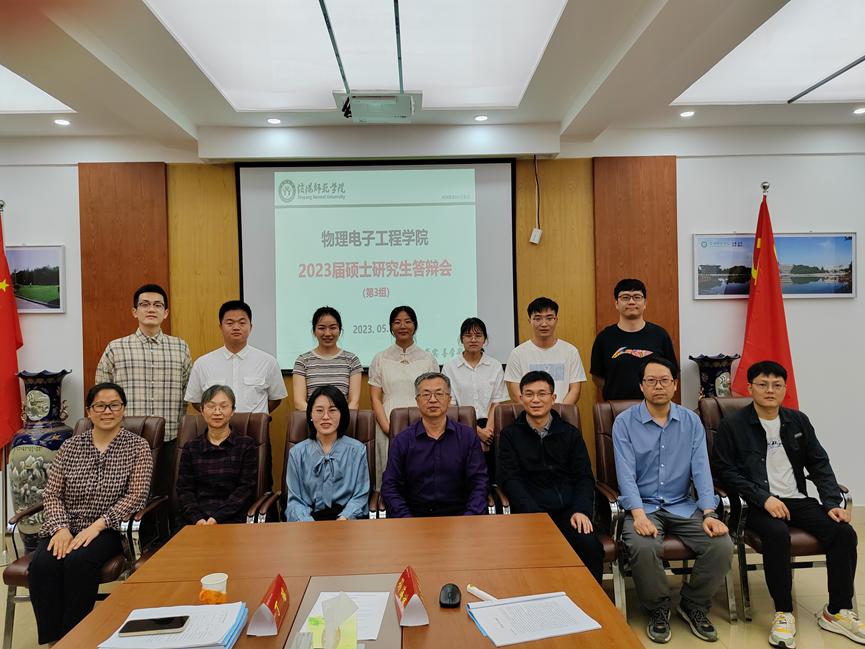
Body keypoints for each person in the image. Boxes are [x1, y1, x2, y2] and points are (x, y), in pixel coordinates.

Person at [712, 360, 862, 648]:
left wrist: (831, 501)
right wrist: (763, 497)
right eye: (763, 384)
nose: (770, 390)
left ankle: (837, 612)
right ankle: (783, 613)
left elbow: (819, 463)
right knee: (777, 534)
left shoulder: (798, 421)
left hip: (796, 499)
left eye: (777, 385)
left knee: (843, 532)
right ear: (749, 388)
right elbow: (724, 470)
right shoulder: (733, 424)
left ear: (785, 389)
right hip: (756, 504)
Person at [613, 357, 732, 644]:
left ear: (675, 384)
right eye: (651, 381)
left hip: (682, 504)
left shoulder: (691, 421)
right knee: (643, 545)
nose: (658, 386)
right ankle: (658, 608)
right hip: (643, 506)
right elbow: (625, 474)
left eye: (664, 380)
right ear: (641, 386)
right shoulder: (624, 423)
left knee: (721, 545)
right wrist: (638, 515)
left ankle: (693, 604)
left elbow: (701, 469)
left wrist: (709, 513)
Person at [28, 383, 153, 645]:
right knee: (43, 564)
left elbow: (136, 496)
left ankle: (76, 639)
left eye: (114, 405)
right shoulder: (70, 447)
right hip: (66, 525)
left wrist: (97, 526)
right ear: (89, 411)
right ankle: (54, 641)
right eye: (100, 406)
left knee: (78, 561)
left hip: (107, 528)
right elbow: (52, 494)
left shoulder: (138, 447)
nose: (107, 411)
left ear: (123, 409)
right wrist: (61, 528)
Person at [497, 370, 604, 582]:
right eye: (529, 394)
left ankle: (590, 601)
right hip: (531, 515)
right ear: (520, 398)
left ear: (553, 398)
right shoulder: (510, 435)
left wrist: (581, 510)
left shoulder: (569, 433)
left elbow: (583, 477)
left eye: (542, 394)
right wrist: (536, 516)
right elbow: (510, 480)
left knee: (589, 545)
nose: (535, 400)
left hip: (569, 512)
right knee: (532, 554)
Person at [95, 283, 190, 496]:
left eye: (157, 305)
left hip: (169, 439)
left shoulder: (180, 347)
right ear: (134, 311)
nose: (151, 309)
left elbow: (188, 391)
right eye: (145, 304)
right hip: (126, 439)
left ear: (166, 313)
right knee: (127, 496)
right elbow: (101, 394)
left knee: (166, 496)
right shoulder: (116, 347)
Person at [381, 372, 488, 517]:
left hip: (460, 517)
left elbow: (479, 482)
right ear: (417, 401)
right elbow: (390, 486)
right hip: (414, 517)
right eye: (426, 395)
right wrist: (406, 519)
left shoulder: (467, 437)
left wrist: (469, 517)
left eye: (439, 394)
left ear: (449, 399)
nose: (432, 400)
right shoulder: (402, 441)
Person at [368, 306, 439, 488]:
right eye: (397, 322)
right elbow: (375, 398)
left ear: (415, 325)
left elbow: (435, 394)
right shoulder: (380, 358)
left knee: (422, 470)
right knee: (391, 473)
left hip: (423, 421)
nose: (402, 326)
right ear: (391, 327)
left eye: (407, 321)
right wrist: (388, 427)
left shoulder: (428, 358)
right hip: (387, 420)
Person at [176, 385, 258, 525]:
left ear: (232, 411)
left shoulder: (246, 445)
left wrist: (217, 518)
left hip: (233, 519)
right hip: (195, 521)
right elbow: (184, 490)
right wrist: (198, 518)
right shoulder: (191, 448)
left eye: (223, 406)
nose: (217, 412)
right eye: (211, 406)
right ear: (202, 410)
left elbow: (245, 489)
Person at [185, 300, 287, 413]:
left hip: (254, 424)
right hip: (217, 424)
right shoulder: (202, 363)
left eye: (242, 323)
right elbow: (195, 400)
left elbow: (276, 399)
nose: (236, 327)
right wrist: (216, 417)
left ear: (250, 327)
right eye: (230, 323)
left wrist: (255, 418)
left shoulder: (268, 362)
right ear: (221, 327)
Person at [286, 385, 370, 521]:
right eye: (319, 410)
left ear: (342, 414)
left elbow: (360, 496)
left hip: (346, 521)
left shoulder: (357, 450)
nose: (326, 417)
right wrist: (308, 523)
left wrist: (344, 518)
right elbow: (295, 501)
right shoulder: (296, 453)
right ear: (310, 414)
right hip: (307, 522)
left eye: (332, 410)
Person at [442, 317, 508, 480]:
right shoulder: (450, 367)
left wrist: (488, 432)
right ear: (461, 339)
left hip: (490, 427)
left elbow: (496, 402)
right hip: (460, 426)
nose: (473, 339)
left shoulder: (495, 365)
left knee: (491, 476)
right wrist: (477, 432)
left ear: (485, 339)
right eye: (468, 335)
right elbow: (451, 406)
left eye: (478, 335)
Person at [590, 278, 677, 401]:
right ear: (616, 303)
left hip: (654, 405)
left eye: (637, 297)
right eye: (625, 297)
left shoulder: (660, 335)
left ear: (645, 303)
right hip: (617, 407)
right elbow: (597, 377)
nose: (631, 302)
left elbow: (672, 372)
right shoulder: (604, 338)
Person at [504, 296, 586, 405]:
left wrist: (558, 412)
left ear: (556, 320)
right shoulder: (517, 353)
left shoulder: (570, 351)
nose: (544, 324)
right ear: (530, 321)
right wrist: (535, 410)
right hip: (530, 412)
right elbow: (516, 392)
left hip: (561, 413)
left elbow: (575, 389)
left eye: (549, 318)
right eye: (538, 318)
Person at [292, 306, 362, 411]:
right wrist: (319, 416)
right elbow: (299, 402)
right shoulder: (302, 361)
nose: (328, 333)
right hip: (312, 419)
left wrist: (338, 418)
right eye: (321, 328)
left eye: (333, 328)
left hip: (343, 420)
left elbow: (354, 402)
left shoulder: (352, 360)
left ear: (340, 330)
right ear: (314, 331)